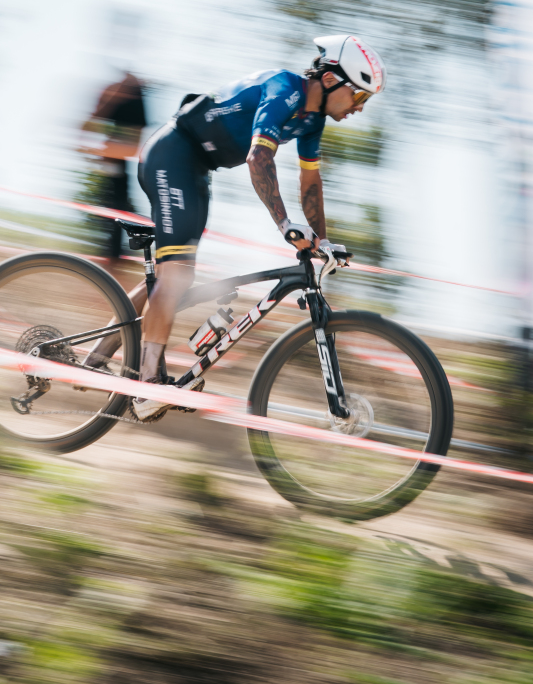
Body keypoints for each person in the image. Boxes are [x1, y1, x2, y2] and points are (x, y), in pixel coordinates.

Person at [83, 34, 385, 422]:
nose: (359, 107)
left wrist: (321, 240)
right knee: (175, 274)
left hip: (197, 168)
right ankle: (147, 384)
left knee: (173, 274)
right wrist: (285, 224)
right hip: (172, 153)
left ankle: (96, 356)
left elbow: (310, 181)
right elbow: (259, 159)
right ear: (329, 80)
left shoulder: (312, 121)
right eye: (358, 95)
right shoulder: (284, 90)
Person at [79, 70, 147, 260]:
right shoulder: (118, 95)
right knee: (116, 209)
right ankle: (115, 252)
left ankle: (116, 252)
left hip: (119, 164)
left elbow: (132, 147)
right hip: (115, 164)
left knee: (118, 208)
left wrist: (97, 151)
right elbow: (89, 123)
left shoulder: (133, 102)